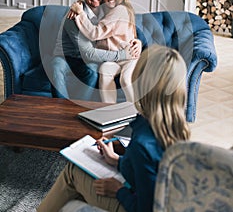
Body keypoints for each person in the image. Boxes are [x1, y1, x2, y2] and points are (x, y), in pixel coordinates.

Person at [37, 44, 191, 212]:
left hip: (134, 204)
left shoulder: (143, 143)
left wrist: (119, 191)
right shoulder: (176, 127)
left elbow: (146, 208)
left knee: (73, 172)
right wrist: (116, 160)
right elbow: (150, 174)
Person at [51, 0, 139, 100]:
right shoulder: (74, 15)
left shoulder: (108, 9)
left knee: (93, 73)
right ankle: (59, 108)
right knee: (56, 69)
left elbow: (127, 30)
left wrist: (137, 43)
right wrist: (122, 55)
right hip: (67, 55)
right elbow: (88, 51)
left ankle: (80, 107)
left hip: (87, 59)